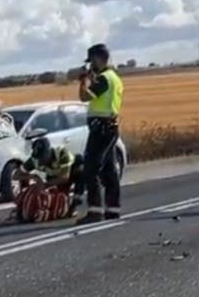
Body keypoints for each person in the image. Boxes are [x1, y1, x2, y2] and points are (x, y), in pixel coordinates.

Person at [75, 43, 125, 224]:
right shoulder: (114, 78)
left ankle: (95, 211)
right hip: (110, 127)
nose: (91, 65)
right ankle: (113, 209)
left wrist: (83, 81)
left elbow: (85, 97)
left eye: (92, 61)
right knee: (110, 170)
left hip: (101, 129)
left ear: (98, 58)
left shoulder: (104, 79)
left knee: (91, 169)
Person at [11, 135, 78, 223]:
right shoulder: (34, 160)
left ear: (48, 152)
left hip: (70, 171)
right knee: (26, 181)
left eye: (42, 157)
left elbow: (64, 178)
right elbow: (16, 175)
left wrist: (45, 185)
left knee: (79, 172)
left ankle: (74, 204)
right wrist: (34, 177)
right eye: (38, 158)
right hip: (53, 174)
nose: (41, 161)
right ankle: (21, 209)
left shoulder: (61, 153)